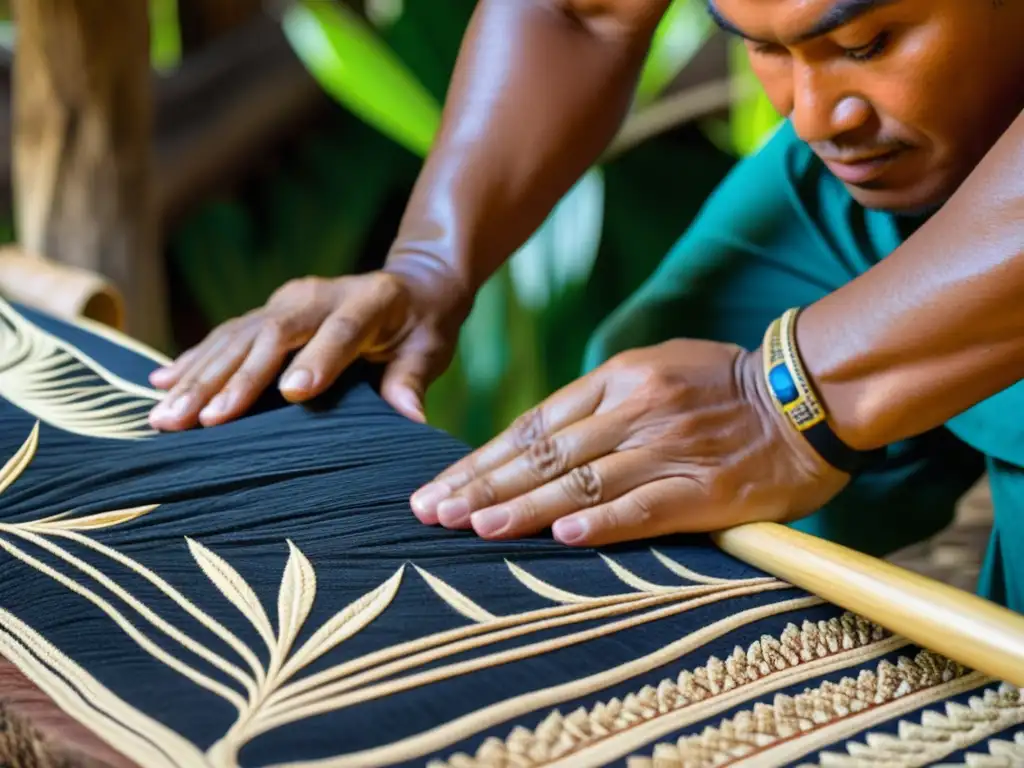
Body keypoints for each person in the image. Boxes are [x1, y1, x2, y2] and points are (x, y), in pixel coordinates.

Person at [147, 0, 1024, 610]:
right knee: (646, 435)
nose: (811, 117)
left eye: (866, 42)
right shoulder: (840, 136)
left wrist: (782, 399)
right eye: (758, 46)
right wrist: (425, 268)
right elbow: (576, 9)